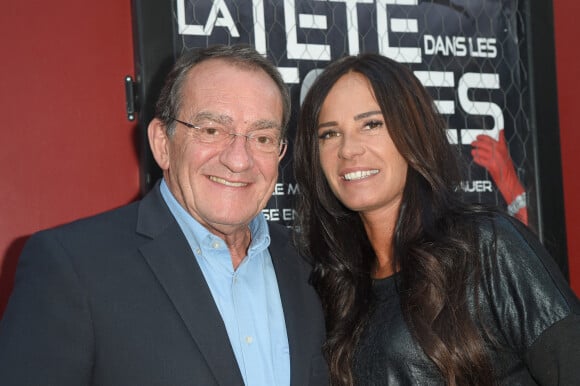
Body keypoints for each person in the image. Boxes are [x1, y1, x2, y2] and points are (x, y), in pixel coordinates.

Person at [0, 45, 328, 386]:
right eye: (212, 130)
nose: (239, 160)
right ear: (162, 143)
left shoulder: (309, 263)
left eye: (262, 137)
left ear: (280, 153)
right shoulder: (74, 268)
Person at [293, 52, 580, 385]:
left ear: (411, 132)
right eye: (329, 133)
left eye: (371, 124)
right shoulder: (334, 283)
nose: (348, 149)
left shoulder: (485, 246)